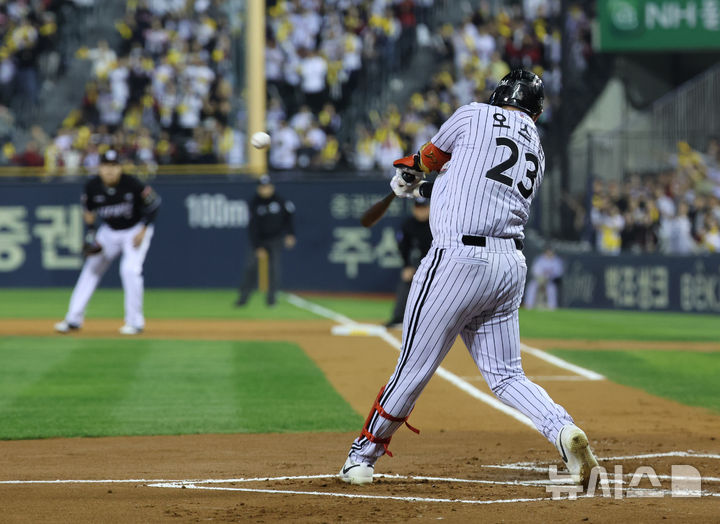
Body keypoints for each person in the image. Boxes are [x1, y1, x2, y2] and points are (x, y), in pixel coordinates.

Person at [339, 70, 599, 489]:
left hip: (458, 260)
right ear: (535, 110)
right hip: (509, 265)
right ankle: (563, 429)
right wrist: (420, 187)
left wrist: (410, 174)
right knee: (507, 375)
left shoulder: (474, 114)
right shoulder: (537, 146)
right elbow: (471, 182)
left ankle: (361, 457)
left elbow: (430, 158)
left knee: (413, 368)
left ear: (499, 95)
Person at [54, 149, 161, 335]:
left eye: (114, 166)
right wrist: (92, 233)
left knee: (130, 270)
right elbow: (88, 210)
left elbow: (154, 203)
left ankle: (135, 322)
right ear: (100, 168)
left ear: (120, 168)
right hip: (109, 232)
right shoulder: (92, 186)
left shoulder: (132, 183)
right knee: (91, 268)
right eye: (106, 166)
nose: (110, 170)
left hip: (134, 230)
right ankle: (73, 319)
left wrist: (144, 228)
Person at [235, 175, 296, 307]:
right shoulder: (254, 203)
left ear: (272, 187)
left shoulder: (280, 201)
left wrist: (290, 234)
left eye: (267, 187)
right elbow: (252, 227)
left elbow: (289, 218)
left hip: (275, 239)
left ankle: (272, 299)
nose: (265, 190)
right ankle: (243, 298)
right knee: (250, 268)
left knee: (274, 270)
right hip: (259, 240)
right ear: (258, 188)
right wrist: (257, 246)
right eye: (262, 187)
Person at [385, 197, 432, 328]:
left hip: (438, 262)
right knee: (407, 279)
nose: (421, 211)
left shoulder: (437, 223)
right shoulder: (408, 225)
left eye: (424, 208)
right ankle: (399, 317)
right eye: (418, 208)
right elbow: (404, 248)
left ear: (430, 208)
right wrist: (407, 266)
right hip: (419, 261)